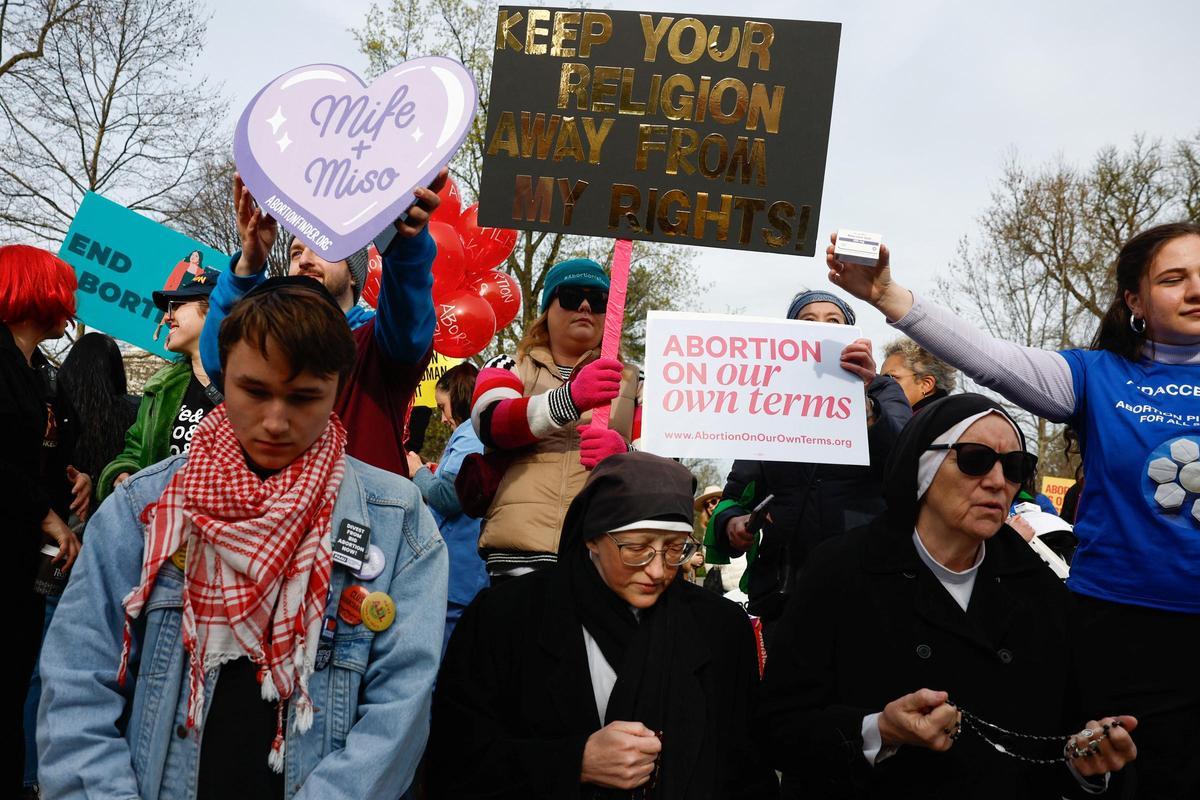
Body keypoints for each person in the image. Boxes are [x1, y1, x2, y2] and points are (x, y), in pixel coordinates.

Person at [826, 222, 1200, 798]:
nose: (1195, 290)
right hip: (1119, 633)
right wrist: (886, 295)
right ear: (1134, 300)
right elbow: (994, 363)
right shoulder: (1095, 377)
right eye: (1174, 279)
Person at [37, 277, 448, 800]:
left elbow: (398, 712)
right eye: (254, 391)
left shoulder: (398, 520)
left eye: (304, 397)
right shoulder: (143, 509)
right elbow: (77, 684)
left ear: (338, 388)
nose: (276, 421)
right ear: (222, 374)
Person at [760, 394, 1137, 798]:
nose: (997, 481)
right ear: (922, 466)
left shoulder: (1040, 589)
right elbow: (777, 727)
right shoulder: (841, 570)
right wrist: (880, 731)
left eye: (1015, 467)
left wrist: (1085, 766)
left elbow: (1063, 738)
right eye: (975, 459)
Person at [427, 451, 777, 799]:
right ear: (592, 537)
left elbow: (747, 769)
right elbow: (454, 764)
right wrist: (574, 762)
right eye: (637, 548)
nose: (657, 570)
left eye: (675, 549)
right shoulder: (506, 619)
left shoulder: (719, 629)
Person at [198, 172, 444, 477]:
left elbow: (408, 318)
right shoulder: (270, 341)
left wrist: (405, 244)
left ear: (355, 273)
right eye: (296, 252)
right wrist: (249, 265)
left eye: (323, 248)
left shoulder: (378, 347)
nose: (304, 260)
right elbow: (219, 363)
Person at [705, 289, 912, 641]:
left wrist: (862, 405)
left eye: (834, 321)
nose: (820, 328)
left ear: (851, 334)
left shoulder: (882, 392)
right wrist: (732, 523)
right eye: (808, 321)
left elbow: (905, 459)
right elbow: (736, 493)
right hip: (786, 590)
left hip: (865, 582)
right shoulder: (767, 401)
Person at [469, 258, 640, 580]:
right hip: (518, 553)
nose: (586, 306)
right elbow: (490, 422)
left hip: (603, 555)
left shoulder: (637, 381)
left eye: (600, 300)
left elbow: (665, 463)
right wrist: (571, 398)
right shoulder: (508, 365)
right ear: (548, 309)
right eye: (572, 296)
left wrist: (625, 457)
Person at [2, 244, 88, 793]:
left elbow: (35, 447)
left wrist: (69, 473)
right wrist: (47, 515)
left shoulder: (39, 370)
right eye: (63, 289)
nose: (72, 303)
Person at [97, 269, 221, 500]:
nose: (166, 317)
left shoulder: (255, 388)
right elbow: (135, 450)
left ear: (215, 308)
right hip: (159, 526)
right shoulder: (161, 388)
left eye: (177, 305)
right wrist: (123, 473)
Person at [407, 362, 489, 654]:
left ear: (458, 396)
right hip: (460, 572)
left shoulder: (470, 435)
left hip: (458, 573)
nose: (442, 418)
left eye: (443, 406)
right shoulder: (473, 434)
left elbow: (448, 497)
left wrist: (417, 471)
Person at [880, 337, 957, 412]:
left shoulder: (941, 419)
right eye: (879, 380)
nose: (879, 386)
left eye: (890, 377)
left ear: (926, 384)